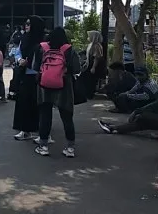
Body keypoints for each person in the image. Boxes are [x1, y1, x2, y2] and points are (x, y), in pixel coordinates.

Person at [33, 27, 81, 157]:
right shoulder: (69, 49)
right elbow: (77, 68)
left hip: (44, 85)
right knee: (67, 117)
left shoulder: (42, 47)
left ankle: (43, 146)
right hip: (64, 86)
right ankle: (70, 148)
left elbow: (35, 67)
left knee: (45, 115)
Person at [99, 70, 158, 135]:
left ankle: (114, 128)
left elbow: (155, 105)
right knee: (142, 122)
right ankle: (114, 128)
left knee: (144, 117)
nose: (157, 80)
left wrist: (137, 111)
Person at [12, 16, 46, 140]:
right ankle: (25, 130)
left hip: (38, 75)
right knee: (24, 103)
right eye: (25, 23)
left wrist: (30, 62)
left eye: (29, 24)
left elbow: (43, 57)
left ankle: (41, 132)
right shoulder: (24, 38)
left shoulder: (43, 41)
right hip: (24, 74)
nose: (26, 26)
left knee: (38, 104)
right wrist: (19, 59)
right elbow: (18, 51)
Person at [79, 30, 105, 100]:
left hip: (93, 65)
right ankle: (87, 94)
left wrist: (93, 67)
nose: (88, 37)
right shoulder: (91, 45)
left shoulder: (97, 46)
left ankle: (89, 94)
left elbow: (97, 57)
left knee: (90, 80)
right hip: (89, 64)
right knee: (86, 79)